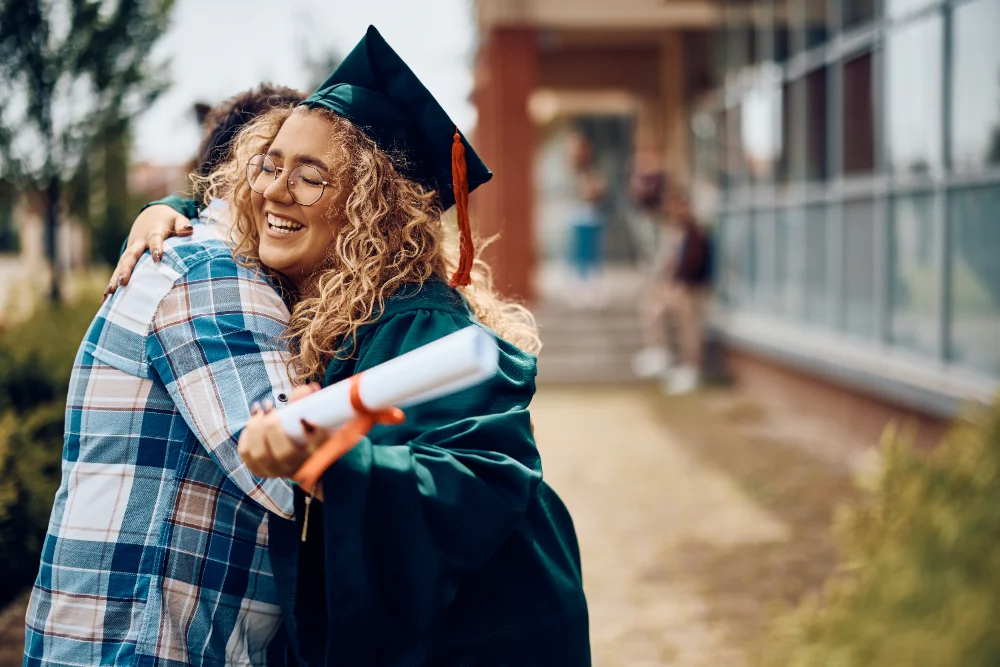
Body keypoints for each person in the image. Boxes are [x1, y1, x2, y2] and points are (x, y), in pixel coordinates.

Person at [106, 25, 590, 667]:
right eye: (269, 166)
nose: (276, 190)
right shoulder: (310, 301)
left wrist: (342, 464)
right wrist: (169, 208)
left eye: (311, 178)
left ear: (371, 208)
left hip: (484, 637)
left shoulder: (420, 324)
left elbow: (483, 475)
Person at [24, 85, 305, 667]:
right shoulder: (216, 278)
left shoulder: (192, 258)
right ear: (242, 172)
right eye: (281, 168)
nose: (291, 190)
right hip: (143, 645)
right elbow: (291, 479)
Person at [632, 190, 713, 395]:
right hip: (674, 286)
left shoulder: (696, 234)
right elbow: (668, 264)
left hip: (690, 289)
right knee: (652, 306)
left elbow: (696, 265)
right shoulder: (671, 232)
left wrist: (681, 284)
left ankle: (691, 367)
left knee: (688, 322)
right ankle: (659, 352)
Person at [567, 132, 607, 304]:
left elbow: (600, 190)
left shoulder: (594, 169)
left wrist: (593, 191)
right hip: (577, 216)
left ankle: (593, 287)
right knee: (579, 254)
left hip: (593, 215)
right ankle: (580, 287)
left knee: (594, 253)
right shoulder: (571, 170)